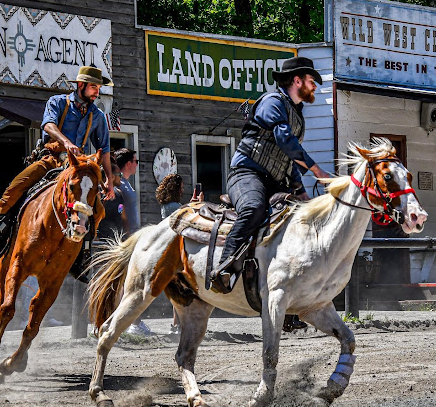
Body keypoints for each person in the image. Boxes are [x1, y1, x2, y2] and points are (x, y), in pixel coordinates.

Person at [210, 57, 329, 330]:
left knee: (301, 221)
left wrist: (301, 194)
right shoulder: (272, 102)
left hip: (276, 181)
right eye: (312, 82)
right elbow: (284, 142)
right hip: (246, 174)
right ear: (297, 81)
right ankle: (224, 269)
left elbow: (286, 161)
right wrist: (316, 170)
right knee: (253, 209)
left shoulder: (297, 113)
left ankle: (290, 301)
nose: (314, 87)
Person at [0, 66, 115, 258]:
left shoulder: (98, 116)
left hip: (76, 167)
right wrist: (66, 142)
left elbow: (104, 150)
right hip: (50, 160)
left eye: (98, 88)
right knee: (12, 192)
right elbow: (48, 125)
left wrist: (109, 180)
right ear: (81, 85)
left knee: (97, 210)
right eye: (93, 87)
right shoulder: (57, 102)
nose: (97, 92)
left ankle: (84, 252)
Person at [155, 173, 203, 333]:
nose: (183, 189)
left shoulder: (169, 205)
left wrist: (191, 204)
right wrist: (197, 205)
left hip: (170, 248)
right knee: (180, 287)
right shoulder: (173, 207)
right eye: (181, 186)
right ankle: (177, 324)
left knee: (178, 286)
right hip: (174, 249)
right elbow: (185, 215)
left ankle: (177, 324)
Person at [114, 148, 151, 336]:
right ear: (128, 163)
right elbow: (118, 209)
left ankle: (131, 322)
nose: (137, 164)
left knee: (131, 281)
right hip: (127, 238)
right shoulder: (118, 182)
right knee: (130, 282)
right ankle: (131, 323)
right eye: (136, 161)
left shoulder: (125, 182)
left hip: (133, 237)